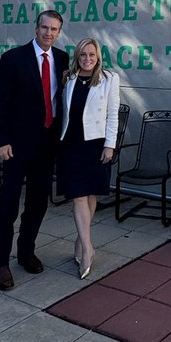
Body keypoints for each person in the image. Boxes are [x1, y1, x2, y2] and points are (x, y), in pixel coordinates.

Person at [0, 10, 69, 290]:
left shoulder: (62, 59)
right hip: (15, 146)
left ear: (59, 32)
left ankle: (25, 252)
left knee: (38, 203)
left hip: (47, 146)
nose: (48, 33)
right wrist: (0, 140)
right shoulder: (13, 59)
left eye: (54, 29)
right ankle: (0, 264)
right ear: (35, 28)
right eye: (44, 27)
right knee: (8, 205)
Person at [58, 37, 120, 278]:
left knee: (91, 194)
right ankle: (87, 248)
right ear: (77, 57)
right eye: (83, 55)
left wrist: (110, 146)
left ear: (98, 57)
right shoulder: (68, 78)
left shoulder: (109, 79)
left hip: (95, 144)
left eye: (91, 55)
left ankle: (80, 239)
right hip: (71, 144)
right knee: (78, 196)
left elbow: (113, 115)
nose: (87, 59)